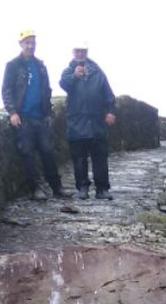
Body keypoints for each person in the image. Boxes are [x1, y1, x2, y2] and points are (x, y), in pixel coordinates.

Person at [2, 29, 75, 200]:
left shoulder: (40, 65)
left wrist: (48, 112)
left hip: (40, 117)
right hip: (23, 117)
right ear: (21, 44)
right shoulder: (13, 65)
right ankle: (35, 189)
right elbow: (6, 91)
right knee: (27, 153)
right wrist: (12, 112)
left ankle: (57, 188)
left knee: (48, 152)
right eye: (27, 42)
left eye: (33, 43)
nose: (30, 46)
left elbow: (47, 90)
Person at [60, 42, 116, 200]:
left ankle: (102, 189)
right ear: (73, 52)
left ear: (87, 52)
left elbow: (108, 94)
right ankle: (82, 188)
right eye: (77, 51)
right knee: (79, 158)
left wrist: (111, 111)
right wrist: (74, 77)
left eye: (83, 51)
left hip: (97, 122)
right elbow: (63, 85)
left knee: (100, 157)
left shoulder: (98, 72)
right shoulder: (68, 71)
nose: (80, 54)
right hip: (77, 122)